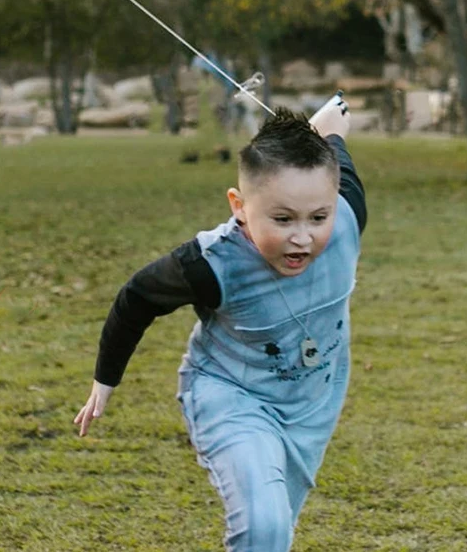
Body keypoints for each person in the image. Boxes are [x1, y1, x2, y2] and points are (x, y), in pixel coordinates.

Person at [75, 95, 365, 552]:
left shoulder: (348, 215)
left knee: (274, 536)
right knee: (264, 527)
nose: (302, 237)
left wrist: (328, 130)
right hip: (230, 394)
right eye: (282, 218)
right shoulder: (212, 264)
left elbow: (336, 156)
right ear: (239, 206)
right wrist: (104, 380)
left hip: (311, 407)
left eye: (318, 217)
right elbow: (137, 298)